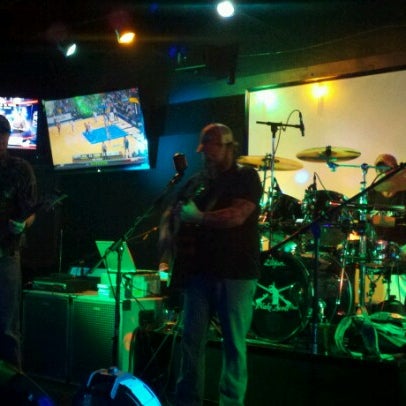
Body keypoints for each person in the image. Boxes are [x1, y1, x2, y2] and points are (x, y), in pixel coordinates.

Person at [158, 123, 262, 406]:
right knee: (190, 343)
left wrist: (198, 217)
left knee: (234, 346)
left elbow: (237, 216)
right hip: (200, 273)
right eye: (203, 149)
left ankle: (231, 403)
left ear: (228, 146)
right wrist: (171, 226)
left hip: (236, 273)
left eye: (211, 148)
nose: (205, 154)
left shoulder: (247, 176)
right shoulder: (200, 181)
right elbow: (177, 213)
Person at [0, 115, 37, 371]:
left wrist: (23, 224)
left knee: (6, 328)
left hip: (5, 256)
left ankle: (12, 385)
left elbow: (31, 212)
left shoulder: (20, 169)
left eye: (3, 135)